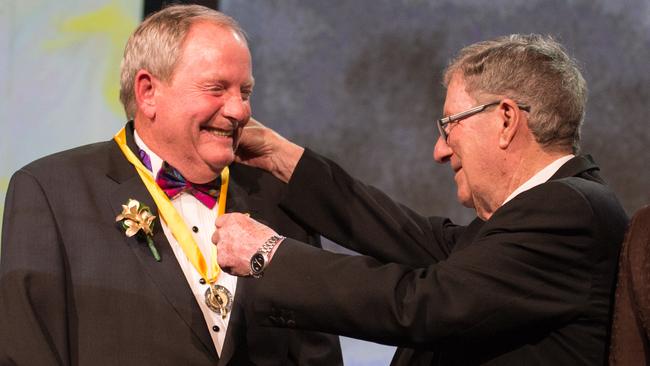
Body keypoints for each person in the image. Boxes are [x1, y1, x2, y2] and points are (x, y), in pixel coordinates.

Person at [214, 34, 629, 365]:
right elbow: (411, 238)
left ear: (505, 120)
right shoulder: (544, 210)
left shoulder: (569, 211)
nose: (440, 150)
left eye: (449, 125)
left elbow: (424, 303)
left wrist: (270, 254)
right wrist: (281, 156)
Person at [0, 5, 341, 365]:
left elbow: (316, 355)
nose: (240, 110)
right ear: (148, 92)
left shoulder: (279, 199)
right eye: (217, 89)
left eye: (244, 91)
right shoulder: (50, 192)